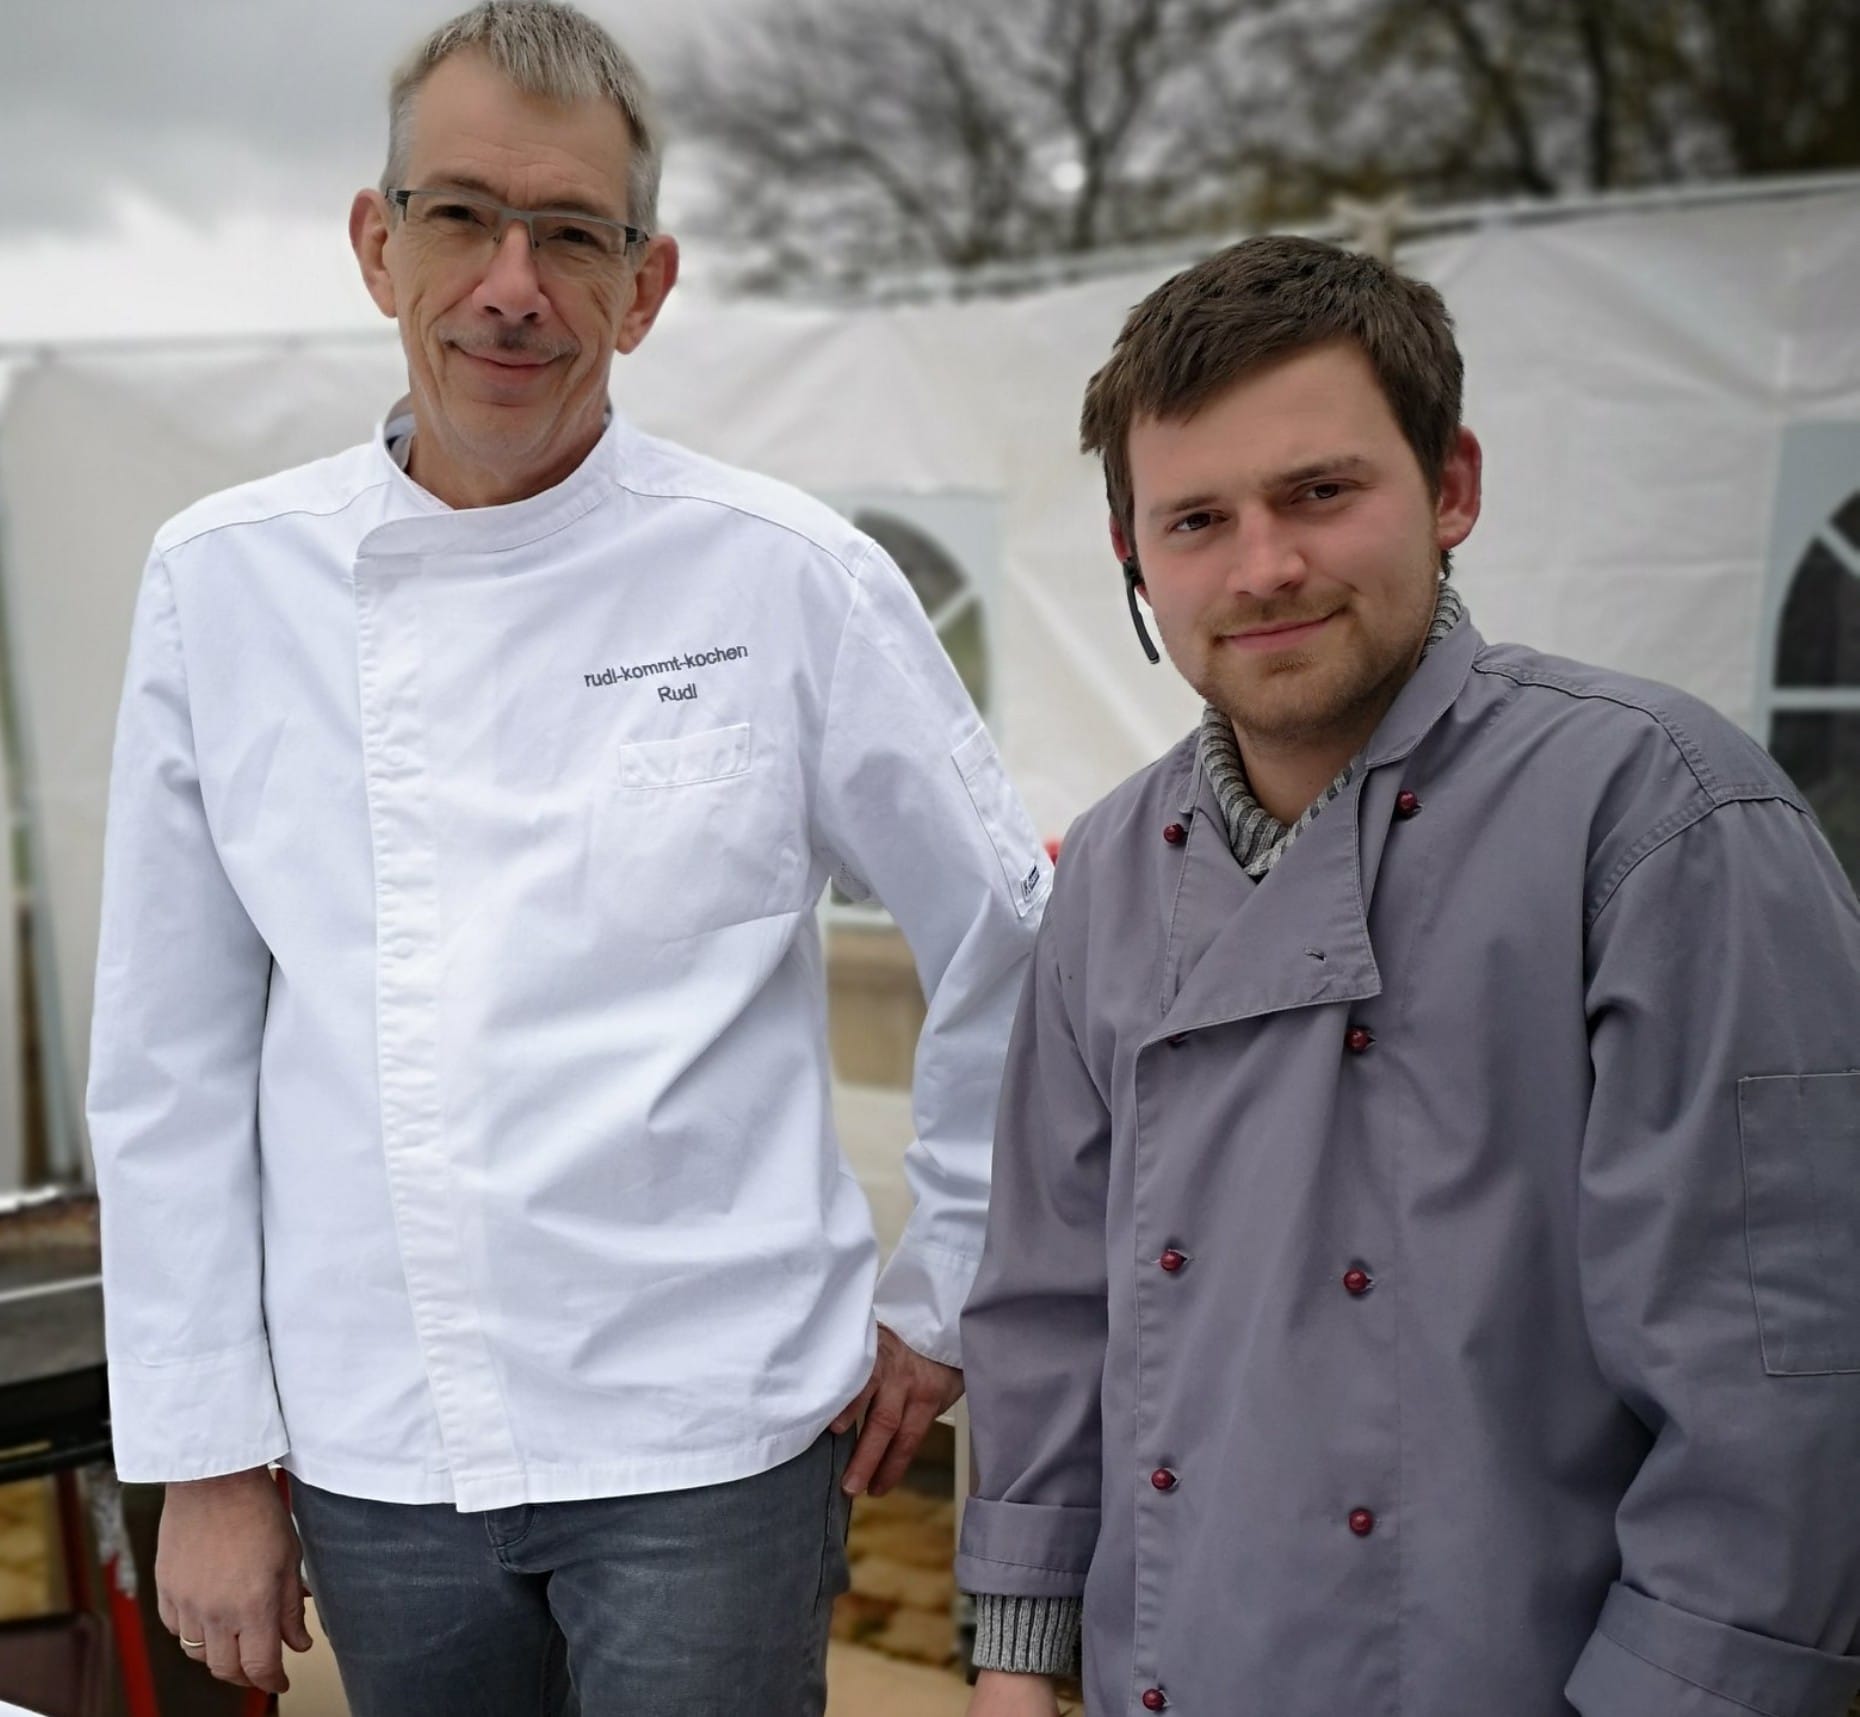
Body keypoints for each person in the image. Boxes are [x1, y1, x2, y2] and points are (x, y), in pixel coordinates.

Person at [87, 5, 1049, 1711]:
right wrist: (208, 1455)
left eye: (574, 236)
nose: (512, 284)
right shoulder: (223, 583)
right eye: (460, 215)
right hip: (382, 1444)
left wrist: (949, 1286)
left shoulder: (784, 579)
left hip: (713, 1439)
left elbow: (1011, 936)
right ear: (379, 245)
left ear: (647, 285)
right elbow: (167, 1057)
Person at [956, 234, 1860, 1716]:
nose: (1263, 567)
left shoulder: (1663, 816)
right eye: (1196, 519)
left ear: (1451, 489)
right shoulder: (1112, 868)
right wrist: (1013, 1660)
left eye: (1320, 491)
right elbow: (1051, 1307)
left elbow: (1778, 1385)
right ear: (1136, 561)